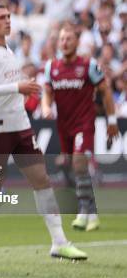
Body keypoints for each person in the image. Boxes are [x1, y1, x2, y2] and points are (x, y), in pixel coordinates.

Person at [0, 3, 88, 262]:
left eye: (9, 17)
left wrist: (21, 87)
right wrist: (17, 87)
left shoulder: (6, 47)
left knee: (41, 180)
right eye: (1, 18)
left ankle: (59, 242)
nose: (8, 21)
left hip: (20, 125)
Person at [41, 24, 119, 231]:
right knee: (72, 168)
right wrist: (46, 107)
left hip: (84, 124)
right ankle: (90, 212)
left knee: (79, 164)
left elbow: (106, 91)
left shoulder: (88, 65)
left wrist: (112, 121)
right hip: (64, 126)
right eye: (62, 39)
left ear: (77, 42)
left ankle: (84, 211)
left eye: (69, 39)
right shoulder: (52, 67)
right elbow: (47, 92)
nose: (65, 42)